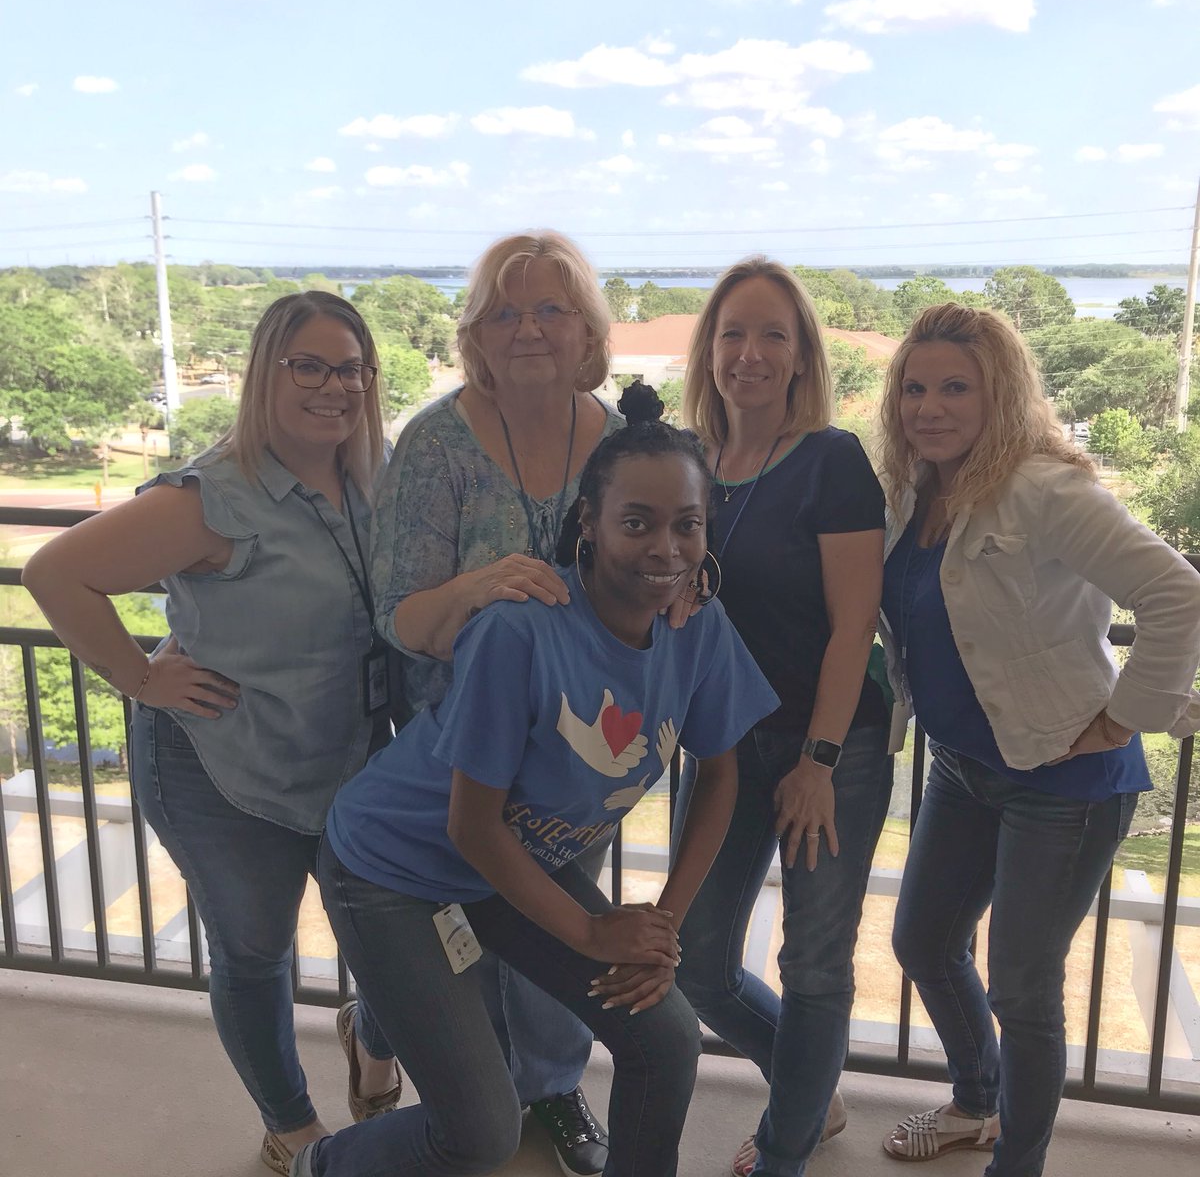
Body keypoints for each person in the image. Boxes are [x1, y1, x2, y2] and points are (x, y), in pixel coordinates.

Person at [296, 384, 780, 1177]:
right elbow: (469, 826)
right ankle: (325, 1165)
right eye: (637, 523)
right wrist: (595, 933)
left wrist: (662, 925)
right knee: (480, 1134)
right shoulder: (519, 632)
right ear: (589, 523)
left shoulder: (699, 627)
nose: (666, 548)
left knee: (663, 1036)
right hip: (391, 868)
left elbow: (721, 773)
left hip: (505, 865)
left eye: (687, 525)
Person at [22, 292, 402, 1175]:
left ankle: (372, 1046)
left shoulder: (372, 477)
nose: (333, 386)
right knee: (255, 950)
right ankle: (292, 1128)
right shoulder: (210, 496)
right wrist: (142, 677)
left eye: (350, 367)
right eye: (308, 365)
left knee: (395, 940)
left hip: (352, 764)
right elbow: (56, 571)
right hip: (222, 773)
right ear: (265, 374)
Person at [876, 303, 1200, 1174]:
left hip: (1064, 782)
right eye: (915, 387)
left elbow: (1176, 592)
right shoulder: (912, 489)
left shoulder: (1043, 489)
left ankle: (1014, 1161)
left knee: (1023, 989)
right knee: (922, 940)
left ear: (1001, 394)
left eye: (955, 387)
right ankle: (976, 1102)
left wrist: (1124, 716)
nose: (929, 407)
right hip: (964, 767)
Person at [368, 229, 626, 1174]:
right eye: (505, 312)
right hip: (460, 744)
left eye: (551, 309)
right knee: (463, 930)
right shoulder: (435, 442)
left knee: (559, 926)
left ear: (587, 330)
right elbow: (398, 613)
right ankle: (463, 1085)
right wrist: (484, 585)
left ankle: (554, 1089)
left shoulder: (622, 440)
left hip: (585, 752)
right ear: (477, 332)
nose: (528, 329)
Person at [673, 257, 893, 1177]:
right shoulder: (688, 462)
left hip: (829, 743)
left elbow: (855, 628)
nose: (749, 354)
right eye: (732, 334)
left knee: (814, 965)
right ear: (710, 350)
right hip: (725, 745)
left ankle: (788, 1143)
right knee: (695, 961)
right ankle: (811, 1083)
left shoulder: (831, 461)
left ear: (802, 354)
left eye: (772, 335)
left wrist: (819, 759)